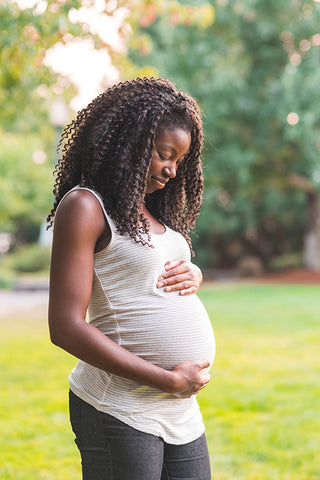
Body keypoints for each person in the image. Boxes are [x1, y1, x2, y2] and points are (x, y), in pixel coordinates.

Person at [48, 77, 215, 480]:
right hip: (118, 406)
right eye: (164, 154)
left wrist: (194, 274)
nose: (172, 170)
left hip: (180, 410)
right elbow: (65, 327)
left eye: (180, 160)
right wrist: (167, 379)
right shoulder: (87, 206)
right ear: (131, 143)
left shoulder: (153, 213)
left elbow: (145, 276)